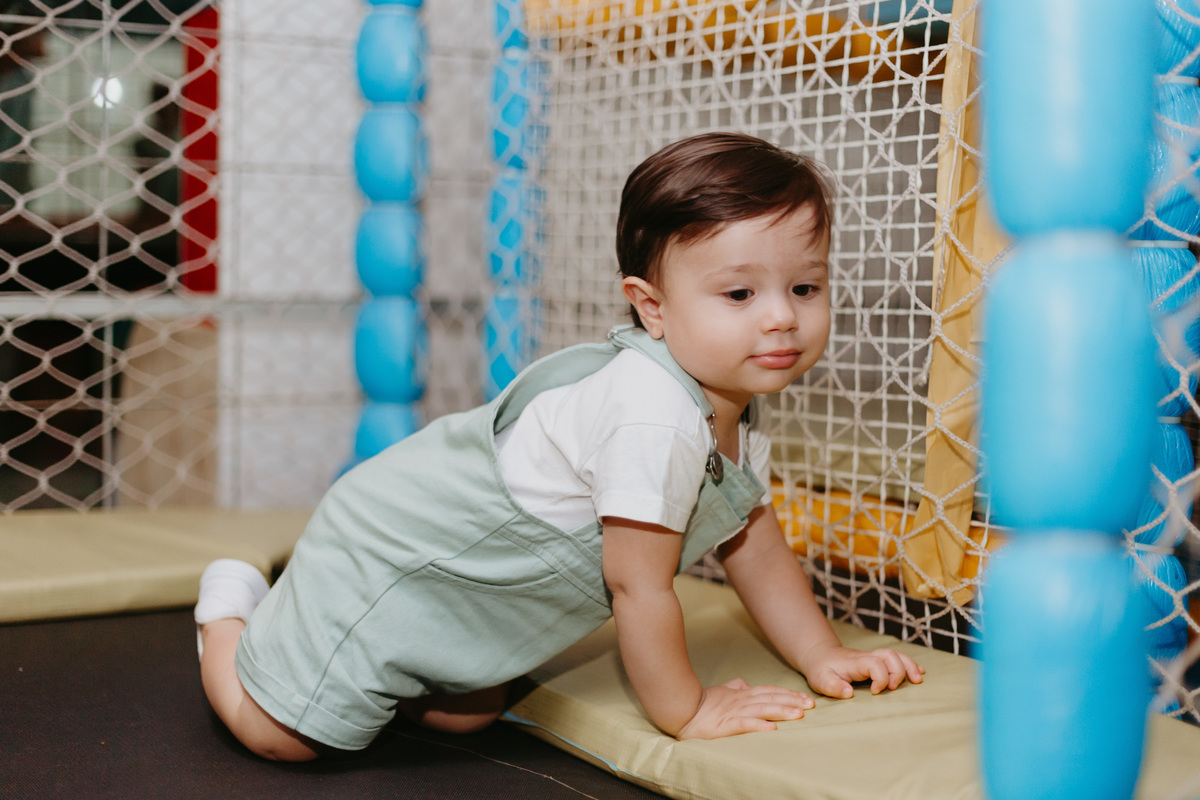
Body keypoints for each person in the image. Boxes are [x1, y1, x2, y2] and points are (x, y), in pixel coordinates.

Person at [194, 131, 925, 762]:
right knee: (285, 738)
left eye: (805, 288)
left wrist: (821, 653)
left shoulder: (733, 404)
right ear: (651, 307)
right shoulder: (653, 415)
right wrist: (688, 710)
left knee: (464, 714)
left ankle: (368, 654)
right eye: (740, 295)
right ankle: (229, 614)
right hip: (395, 560)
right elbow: (638, 587)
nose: (781, 319)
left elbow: (754, 544)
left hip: (471, 594)